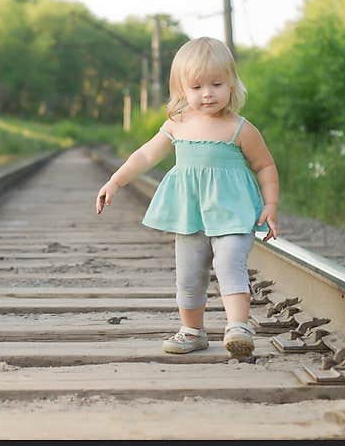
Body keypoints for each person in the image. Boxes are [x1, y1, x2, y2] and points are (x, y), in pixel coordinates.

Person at [95, 36, 278, 358]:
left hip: (233, 213)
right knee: (190, 276)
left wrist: (271, 205)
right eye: (196, 88)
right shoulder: (177, 124)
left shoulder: (240, 128)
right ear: (182, 90)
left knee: (229, 263)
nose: (207, 93)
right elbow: (144, 156)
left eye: (216, 84)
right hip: (190, 213)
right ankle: (192, 331)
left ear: (232, 85)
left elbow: (264, 165)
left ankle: (238, 327)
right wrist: (115, 182)